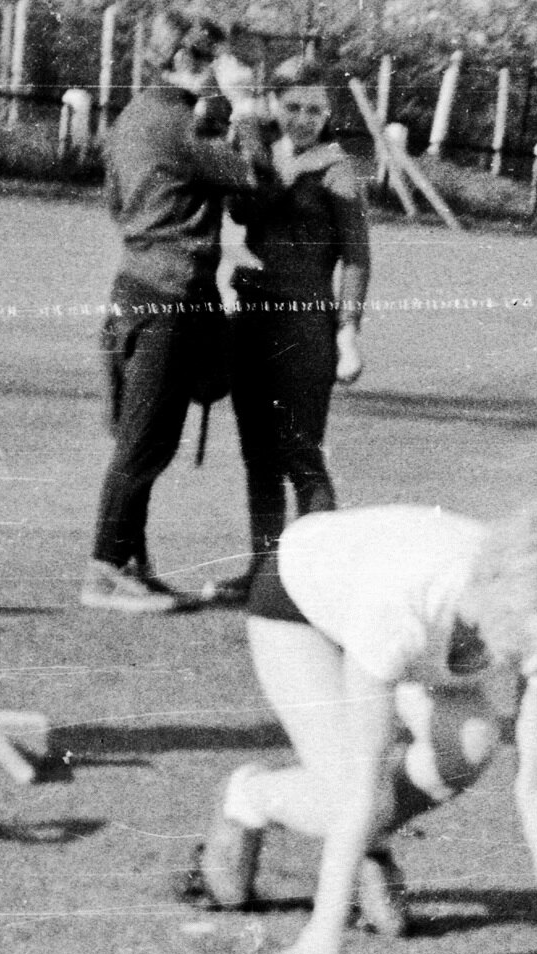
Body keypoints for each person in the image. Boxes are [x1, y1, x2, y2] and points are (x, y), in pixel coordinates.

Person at [187, 505, 537, 954]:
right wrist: (323, 941)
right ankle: (248, 795)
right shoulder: (404, 603)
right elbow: (362, 786)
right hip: (298, 599)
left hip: (392, 617)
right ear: (494, 597)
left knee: (471, 741)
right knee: (350, 794)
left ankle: (368, 841)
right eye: (524, 636)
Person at [83, 5, 284, 614]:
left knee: (139, 437)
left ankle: (131, 562)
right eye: (214, 58)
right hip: (171, 294)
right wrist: (246, 110)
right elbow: (261, 180)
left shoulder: (133, 117)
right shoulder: (180, 126)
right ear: (186, 61)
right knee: (145, 444)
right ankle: (106, 570)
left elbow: (116, 200)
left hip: (135, 287)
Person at [224, 53, 369, 578]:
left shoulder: (339, 168)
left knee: (300, 453)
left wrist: (349, 333)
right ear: (274, 104)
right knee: (257, 455)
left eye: (314, 109)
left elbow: (356, 257)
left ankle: (318, 581)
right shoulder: (259, 155)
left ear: (328, 111)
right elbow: (241, 213)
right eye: (292, 107)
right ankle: (264, 576)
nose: (303, 119)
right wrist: (252, 147)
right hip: (253, 321)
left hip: (306, 327)